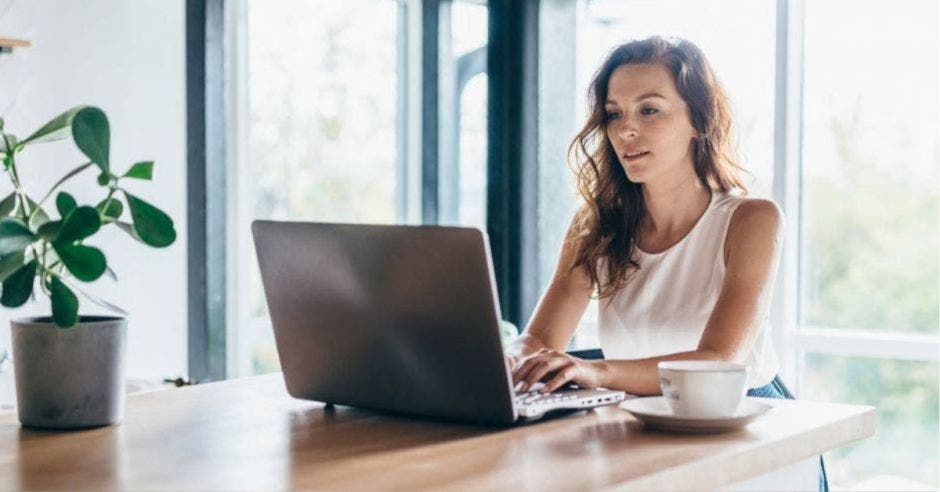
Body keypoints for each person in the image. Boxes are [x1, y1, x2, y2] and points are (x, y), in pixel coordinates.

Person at [503, 36, 828, 491]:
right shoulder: (595, 226)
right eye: (614, 113)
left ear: (699, 119)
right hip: (638, 425)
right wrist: (512, 361)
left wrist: (594, 371)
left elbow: (718, 361)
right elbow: (538, 338)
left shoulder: (751, 219)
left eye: (649, 109)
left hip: (748, 432)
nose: (625, 130)